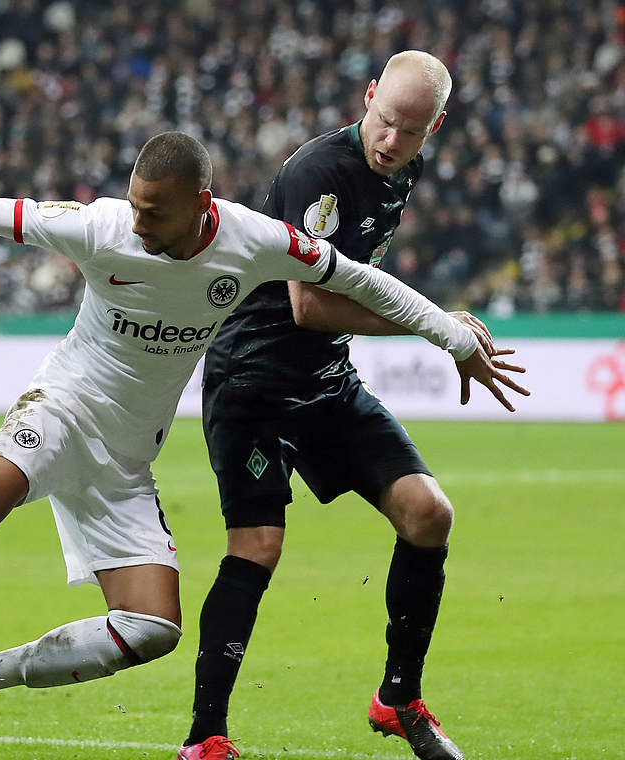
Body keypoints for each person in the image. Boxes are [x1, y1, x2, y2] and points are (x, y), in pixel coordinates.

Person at [0, 131, 527, 760]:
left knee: (153, 628)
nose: (137, 222)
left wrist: (450, 334)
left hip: (126, 459)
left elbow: (359, 279)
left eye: (154, 212)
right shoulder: (99, 227)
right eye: (133, 204)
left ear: (202, 205)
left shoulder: (256, 242)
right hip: (64, 408)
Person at [183, 52, 528, 760]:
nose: (391, 140)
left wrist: (439, 324)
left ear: (435, 127)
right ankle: (205, 737)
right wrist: (437, 326)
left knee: (430, 514)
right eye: (383, 120)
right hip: (253, 380)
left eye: (409, 130)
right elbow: (308, 305)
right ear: (367, 96)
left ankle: (398, 698)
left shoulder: (405, 170)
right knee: (259, 545)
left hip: (327, 380)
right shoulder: (319, 174)